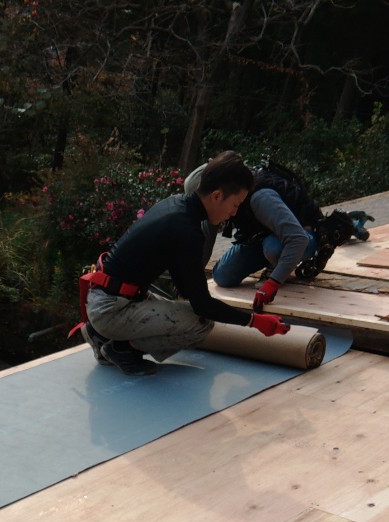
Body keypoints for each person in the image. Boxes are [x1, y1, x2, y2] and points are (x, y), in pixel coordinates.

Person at [76, 150, 289, 377]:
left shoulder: (176, 206)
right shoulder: (187, 231)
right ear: (216, 196)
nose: (234, 213)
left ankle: (99, 334)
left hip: (106, 298)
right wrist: (255, 321)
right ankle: (122, 348)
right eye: (235, 204)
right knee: (201, 323)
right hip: (111, 309)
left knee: (189, 310)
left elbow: (184, 283)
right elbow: (202, 306)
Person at [211, 161, 319, 302]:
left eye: (236, 206)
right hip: (264, 235)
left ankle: (276, 267)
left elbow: (298, 239)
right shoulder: (215, 197)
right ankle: (275, 261)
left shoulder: (261, 198)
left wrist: (273, 282)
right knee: (222, 276)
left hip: (303, 236)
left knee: (273, 248)